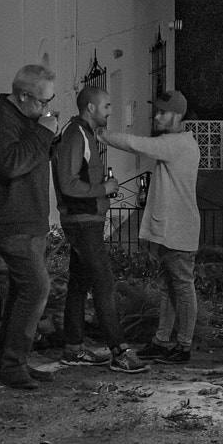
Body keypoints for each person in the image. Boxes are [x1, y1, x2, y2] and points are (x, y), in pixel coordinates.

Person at [0, 64, 66, 388]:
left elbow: (30, 157)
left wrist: (47, 137)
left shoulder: (28, 120)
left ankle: (11, 360)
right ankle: (13, 365)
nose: (46, 108)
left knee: (21, 289)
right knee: (37, 287)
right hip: (9, 220)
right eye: (43, 101)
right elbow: (11, 163)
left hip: (30, 220)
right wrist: (43, 132)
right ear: (24, 95)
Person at [53, 80, 148, 372]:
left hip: (84, 219)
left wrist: (101, 189)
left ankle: (74, 349)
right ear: (91, 107)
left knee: (79, 285)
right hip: (83, 221)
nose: (110, 111)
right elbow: (68, 184)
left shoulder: (81, 134)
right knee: (104, 283)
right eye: (106, 106)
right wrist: (103, 188)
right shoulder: (76, 135)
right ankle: (119, 351)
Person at [104, 90, 202, 365]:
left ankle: (183, 346)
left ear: (178, 115)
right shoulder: (178, 143)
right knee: (170, 287)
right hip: (174, 229)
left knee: (181, 287)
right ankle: (163, 342)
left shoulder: (176, 144)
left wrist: (101, 134)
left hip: (178, 229)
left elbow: (136, 144)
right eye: (156, 111)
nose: (156, 116)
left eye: (162, 112)